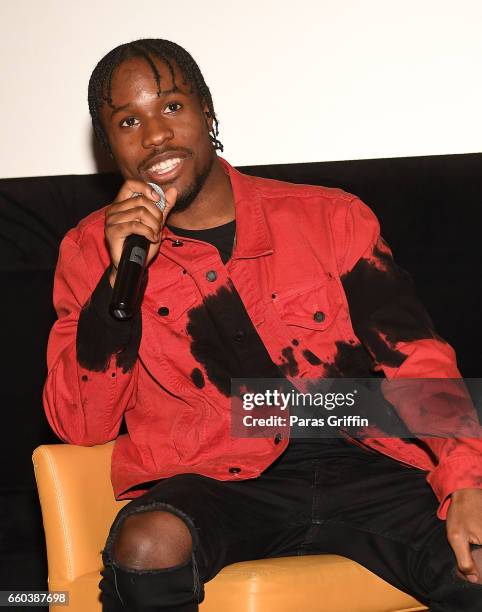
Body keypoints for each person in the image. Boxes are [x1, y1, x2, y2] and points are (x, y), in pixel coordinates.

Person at [43, 38, 482, 612]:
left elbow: (416, 357)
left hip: (366, 457)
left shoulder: (328, 217)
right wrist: (115, 283)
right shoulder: (88, 252)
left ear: (207, 112)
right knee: (149, 544)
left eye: (171, 107)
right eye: (129, 121)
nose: (154, 134)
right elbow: (80, 425)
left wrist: (467, 479)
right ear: (110, 148)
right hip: (217, 480)